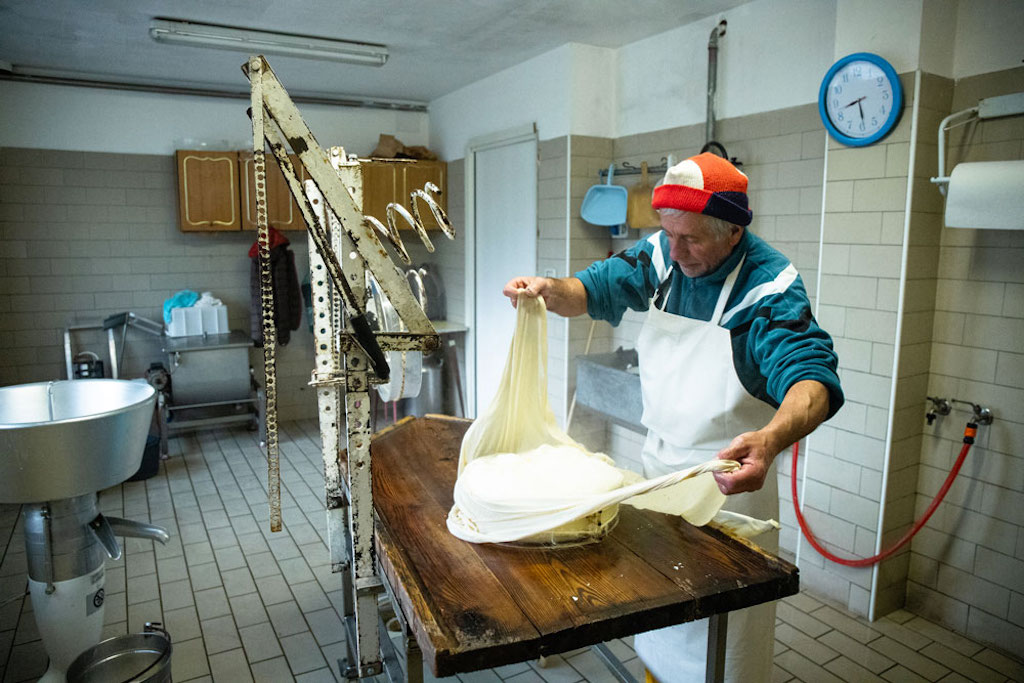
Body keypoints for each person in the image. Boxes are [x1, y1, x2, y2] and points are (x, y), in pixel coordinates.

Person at [502, 152, 843, 683]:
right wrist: (548, 291)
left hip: (729, 485)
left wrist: (773, 438)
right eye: (669, 234)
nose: (676, 250)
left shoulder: (768, 288)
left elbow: (811, 379)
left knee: (721, 647)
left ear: (733, 231)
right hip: (661, 478)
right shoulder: (663, 254)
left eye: (692, 239)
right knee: (659, 622)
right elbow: (595, 287)